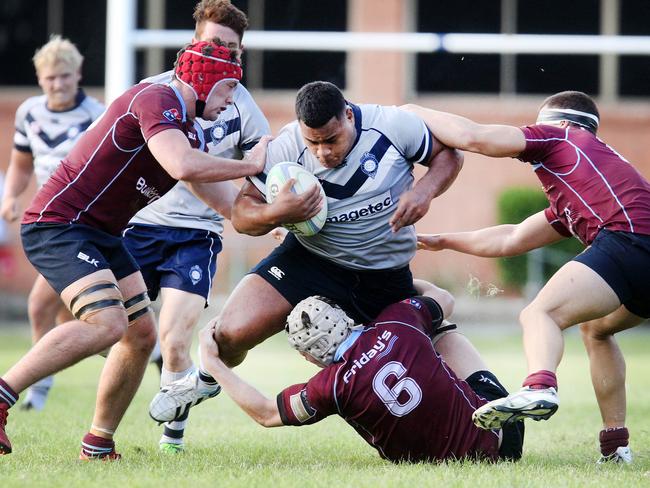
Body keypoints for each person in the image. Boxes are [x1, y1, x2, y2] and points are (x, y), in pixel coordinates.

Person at [0, 39, 269, 458]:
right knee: (107, 324)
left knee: (140, 335)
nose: (233, 99)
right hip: (60, 224)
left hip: (101, 235)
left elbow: (227, 204)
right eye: (229, 87)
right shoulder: (155, 98)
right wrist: (252, 164)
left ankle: (98, 444)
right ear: (204, 80)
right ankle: (3, 396)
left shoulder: (189, 130)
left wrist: (283, 215)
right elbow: (181, 165)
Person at [149, 80, 463, 423]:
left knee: (426, 365)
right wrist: (276, 212)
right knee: (228, 334)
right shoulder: (285, 147)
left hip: (385, 274)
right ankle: (207, 380)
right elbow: (241, 216)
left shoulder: (392, 125)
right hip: (311, 260)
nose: (323, 152)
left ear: (348, 116)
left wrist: (425, 191)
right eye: (313, 142)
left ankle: (480, 399)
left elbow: (448, 155)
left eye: (331, 140)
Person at [404, 91, 650, 464]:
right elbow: (512, 238)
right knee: (597, 330)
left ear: (564, 123)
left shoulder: (560, 137)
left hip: (630, 240)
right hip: (639, 250)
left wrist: (407, 111)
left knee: (539, 314)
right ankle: (615, 447)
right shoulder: (581, 190)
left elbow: (475, 137)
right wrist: (441, 241)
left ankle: (540, 386)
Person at [133, 0, 273, 454]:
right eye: (213, 44)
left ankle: (173, 438)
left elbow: (262, 167)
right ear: (194, 43)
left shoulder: (243, 105)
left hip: (197, 232)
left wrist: (274, 211)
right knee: (116, 331)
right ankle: (99, 433)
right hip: (140, 224)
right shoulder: (154, 93)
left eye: (231, 48)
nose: (223, 54)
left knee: (175, 339)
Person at [182, 287, 525, 463]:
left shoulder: (331, 386)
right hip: (501, 443)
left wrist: (214, 364)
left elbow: (266, 413)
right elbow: (443, 297)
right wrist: (399, 287)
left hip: (436, 459)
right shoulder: (396, 321)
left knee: (429, 332)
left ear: (308, 356)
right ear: (343, 318)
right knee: (438, 327)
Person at [0, 36, 105, 411]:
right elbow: (21, 163)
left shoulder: (97, 113)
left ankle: (38, 385)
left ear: (78, 74)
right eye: (50, 79)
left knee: (47, 307)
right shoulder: (29, 112)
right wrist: (11, 195)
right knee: (59, 311)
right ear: (39, 78)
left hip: (83, 221)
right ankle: (157, 357)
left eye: (64, 76)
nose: (58, 84)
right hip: (51, 220)